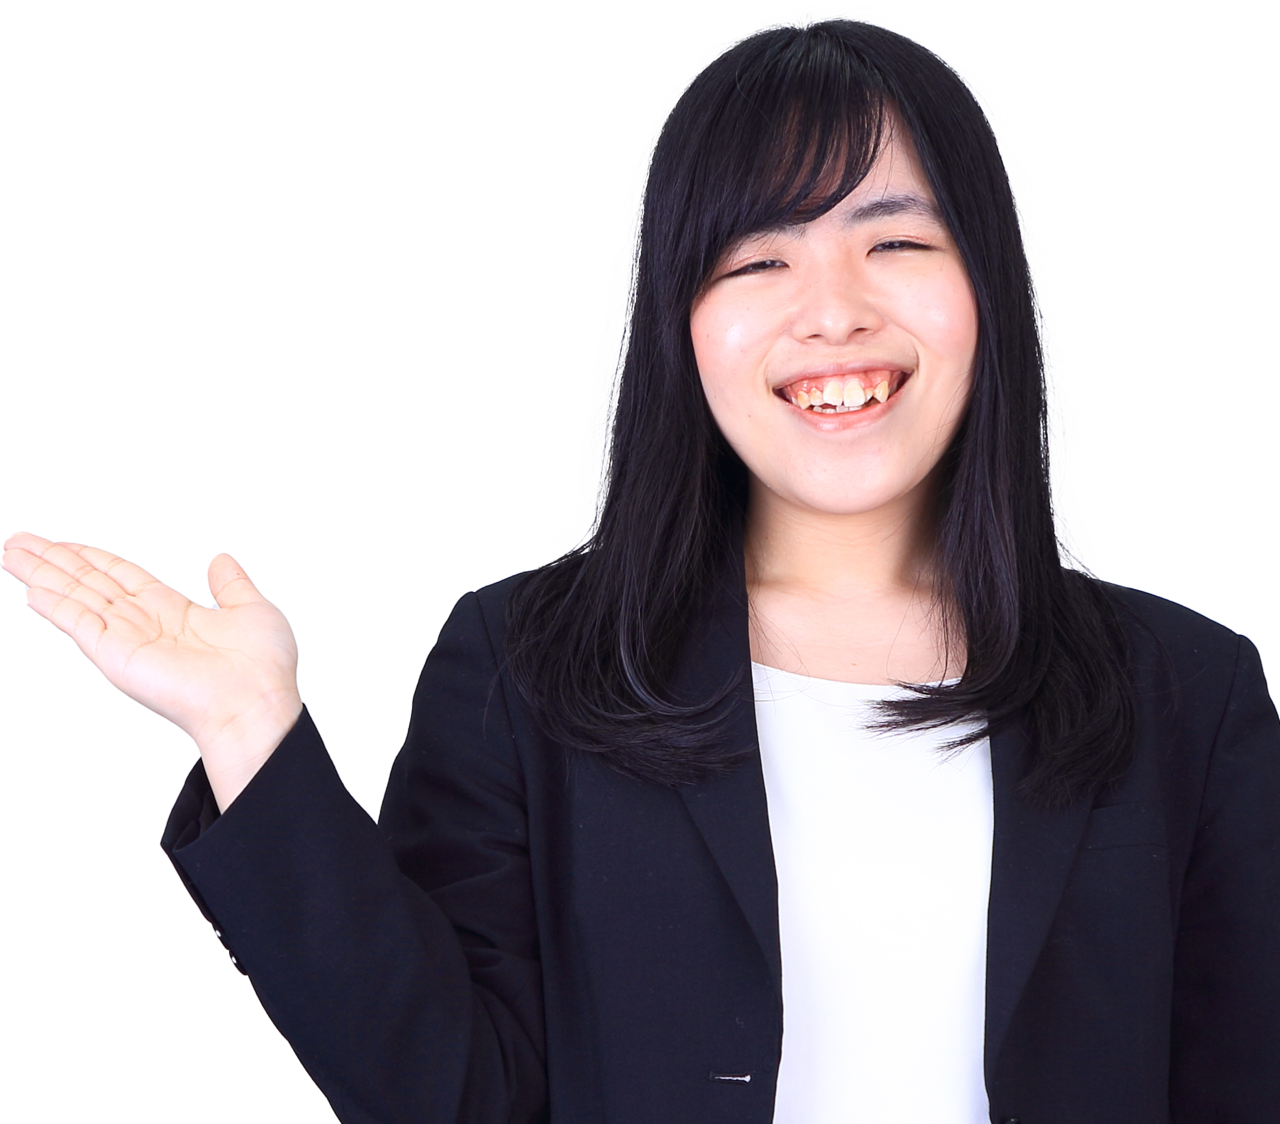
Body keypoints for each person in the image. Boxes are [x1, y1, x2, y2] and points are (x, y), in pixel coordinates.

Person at [3, 4, 1276, 1122]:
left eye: (892, 241)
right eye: (757, 258)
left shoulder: (1185, 690)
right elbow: (450, 1095)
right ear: (681, 322)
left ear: (988, 284)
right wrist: (250, 734)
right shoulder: (530, 663)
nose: (832, 309)